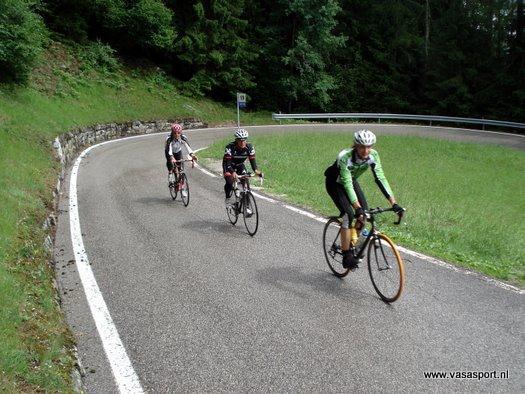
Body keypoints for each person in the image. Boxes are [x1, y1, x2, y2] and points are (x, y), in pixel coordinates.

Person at [324, 129, 404, 269]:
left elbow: (380, 178)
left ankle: (353, 242)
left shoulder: (373, 155)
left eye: (369, 146)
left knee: (365, 215)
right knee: (349, 214)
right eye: (362, 147)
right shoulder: (345, 157)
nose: (365, 150)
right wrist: (356, 207)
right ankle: (346, 254)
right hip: (335, 183)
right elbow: (347, 184)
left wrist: (394, 203)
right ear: (355, 145)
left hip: (351, 180)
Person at [223, 128, 262, 206]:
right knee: (230, 181)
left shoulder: (249, 147)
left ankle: (247, 205)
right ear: (236, 140)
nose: (242, 142)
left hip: (240, 165)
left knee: (245, 181)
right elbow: (228, 163)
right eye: (240, 140)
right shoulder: (230, 147)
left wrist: (256, 171)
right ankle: (228, 198)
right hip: (228, 166)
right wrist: (233, 172)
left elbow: (252, 161)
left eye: (244, 140)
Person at [165, 123, 197, 195]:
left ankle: (182, 188)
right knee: (171, 165)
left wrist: (192, 155)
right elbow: (169, 150)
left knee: (180, 169)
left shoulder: (183, 138)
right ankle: (170, 175)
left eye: (178, 133)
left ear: (181, 132)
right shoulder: (169, 139)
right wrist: (171, 157)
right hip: (169, 152)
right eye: (175, 133)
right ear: (172, 133)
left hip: (178, 151)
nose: (177, 135)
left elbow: (187, 147)